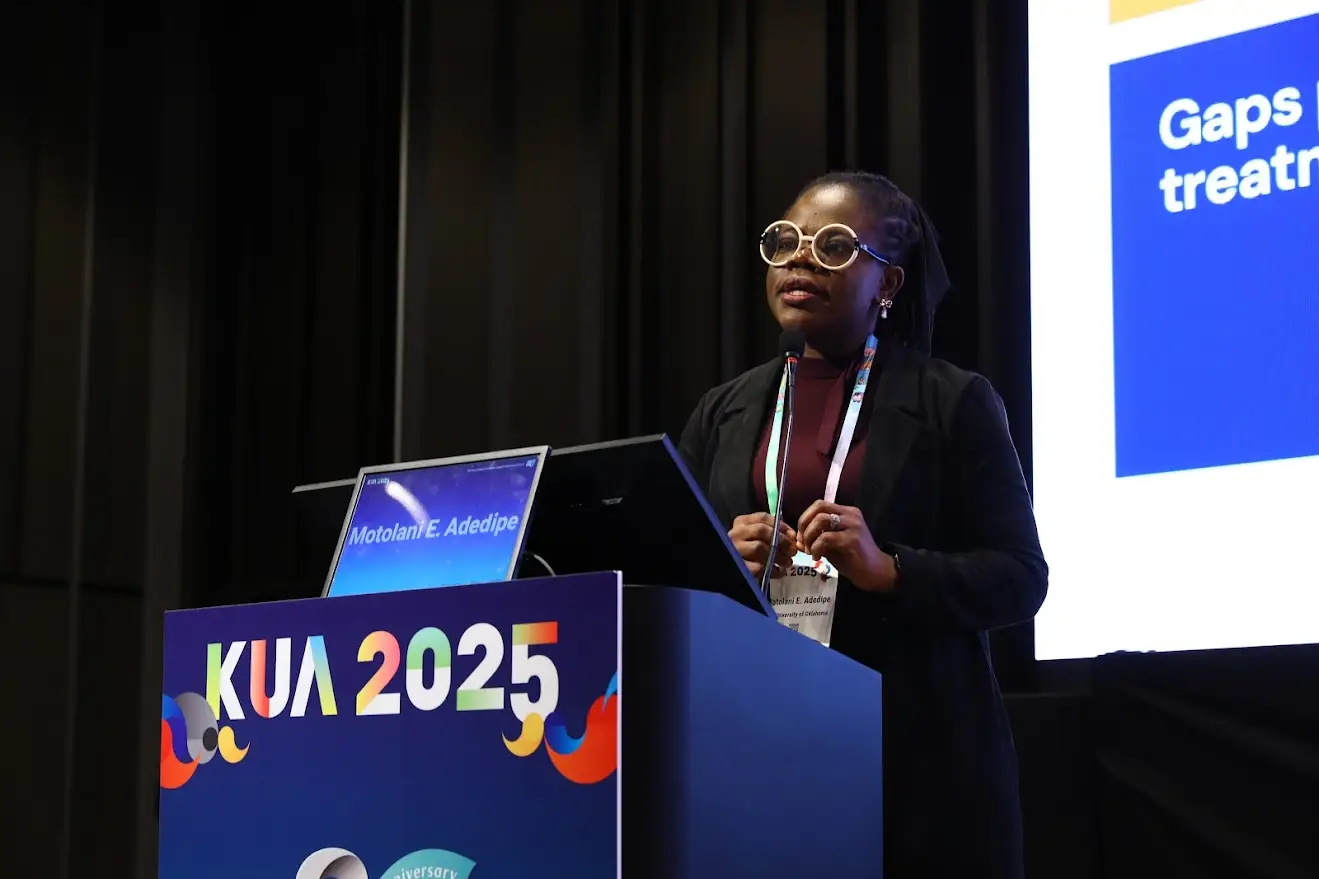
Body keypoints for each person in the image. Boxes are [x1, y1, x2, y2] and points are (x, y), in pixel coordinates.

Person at [678, 170, 1047, 878]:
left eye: (836, 246)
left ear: (887, 285)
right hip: (757, 742)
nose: (800, 258)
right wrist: (722, 557)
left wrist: (890, 569)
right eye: (785, 241)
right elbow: (675, 573)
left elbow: (1019, 577)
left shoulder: (952, 402)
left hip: (911, 751)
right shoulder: (722, 410)